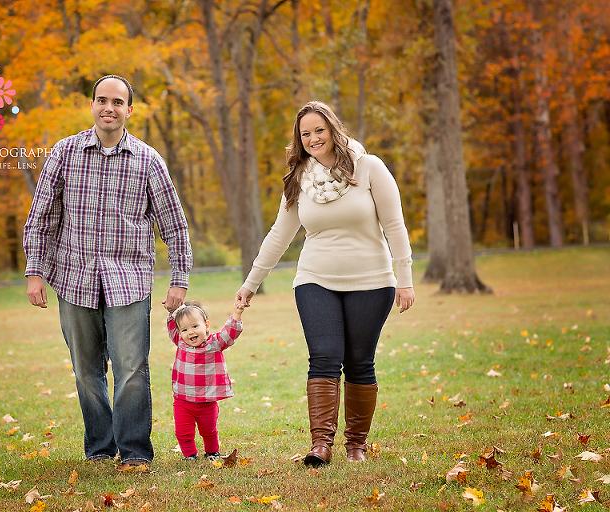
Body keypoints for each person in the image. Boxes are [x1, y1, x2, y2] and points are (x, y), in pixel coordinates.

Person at [23, 74, 193, 471]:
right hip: (74, 278)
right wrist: (36, 272)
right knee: (86, 370)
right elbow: (41, 218)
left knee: (132, 370)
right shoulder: (64, 153)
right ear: (92, 105)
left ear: (129, 110)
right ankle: (100, 448)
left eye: (117, 102)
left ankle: (134, 452)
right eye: (102, 100)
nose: (109, 108)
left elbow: (174, 225)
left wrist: (179, 278)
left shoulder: (149, 161)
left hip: (128, 281)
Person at [235, 101, 414, 467]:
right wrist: (251, 282)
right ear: (299, 140)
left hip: (372, 280)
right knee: (324, 357)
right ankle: (321, 445)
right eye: (305, 133)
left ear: (333, 129)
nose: (313, 138)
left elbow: (394, 225)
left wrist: (405, 279)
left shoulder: (369, 168)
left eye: (319, 130)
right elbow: (279, 235)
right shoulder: (301, 178)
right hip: (315, 279)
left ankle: (356, 446)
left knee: (359, 361)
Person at [167, 300, 243, 461]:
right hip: (183, 400)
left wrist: (237, 313)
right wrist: (172, 310)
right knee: (182, 432)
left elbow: (230, 333)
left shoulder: (214, 344)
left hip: (207, 400)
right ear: (180, 333)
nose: (190, 333)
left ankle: (212, 452)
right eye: (185, 329)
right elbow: (172, 326)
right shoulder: (181, 343)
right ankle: (189, 455)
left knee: (209, 430)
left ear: (206, 325)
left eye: (195, 326)